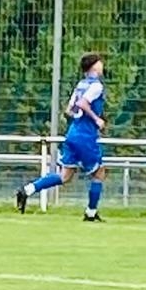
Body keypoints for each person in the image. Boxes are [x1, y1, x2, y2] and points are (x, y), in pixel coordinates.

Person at [15, 52, 109, 222]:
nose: (102, 65)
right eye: (100, 62)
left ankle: (27, 190)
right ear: (94, 66)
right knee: (99, 173)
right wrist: (96, 119)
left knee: (65, 176)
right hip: (85, 136)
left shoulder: (81, 84)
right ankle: (90, 212)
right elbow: (82, 103)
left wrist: (80, 117)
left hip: (72, 133)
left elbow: (69, 110)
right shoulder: (96, 86)